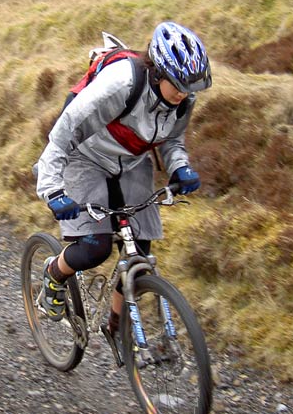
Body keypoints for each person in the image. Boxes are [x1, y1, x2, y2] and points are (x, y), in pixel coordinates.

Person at [35, 21, 212, 336]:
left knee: (139, 252)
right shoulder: (120, 85)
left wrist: (179, 167)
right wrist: (53, 190)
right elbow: (63, 134)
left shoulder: (184, 98)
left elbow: (172, 141)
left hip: (130, 162)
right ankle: (53, 274)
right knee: (95, 247)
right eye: (178, 84)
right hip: (84, 156)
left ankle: (116, 328)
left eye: (190, 86)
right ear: (158, 72)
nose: (184, 93)